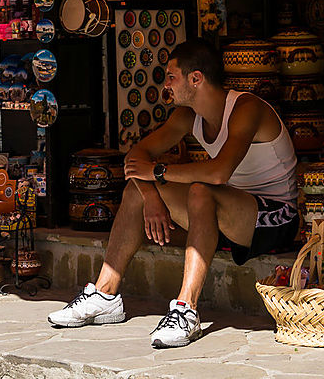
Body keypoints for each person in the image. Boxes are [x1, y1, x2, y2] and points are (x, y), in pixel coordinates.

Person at [48, 39, 299, 348]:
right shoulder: (186, 116)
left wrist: (157, 173)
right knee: (136, 191)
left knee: (200, 191)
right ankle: (105, 293)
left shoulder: (247, 108)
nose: (165, 84)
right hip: (230, 217)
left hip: (276, 219)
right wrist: (151, 195)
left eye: (171, 76)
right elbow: (136, 158)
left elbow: (219, 172)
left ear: (196, 79)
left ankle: (186, 310)